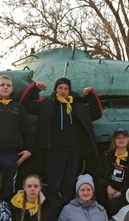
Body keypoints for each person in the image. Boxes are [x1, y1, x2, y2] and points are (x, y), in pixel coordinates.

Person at [19, 77, 103, 209]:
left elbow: (97, 112)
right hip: (54, 150)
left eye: (66, 88)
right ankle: (53, 212)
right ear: (56, 89)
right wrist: (34, 88)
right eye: (60, 88)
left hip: (73, 151)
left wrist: (91, 95)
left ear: (69, 90)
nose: (63, 91)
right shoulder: (47, 104)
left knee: (68, 186)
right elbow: (25, 104)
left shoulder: (77, 106)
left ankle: (66, 212)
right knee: (54, 185)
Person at [94, 128, 129, 215]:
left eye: (124, 137)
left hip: (124, 195)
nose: (121, 139)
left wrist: (121, 192)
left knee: (114, 205)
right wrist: (107, 186)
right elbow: (96, 175)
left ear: (128, 140)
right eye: (118, 138)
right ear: (114, 140)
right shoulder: (105, 157)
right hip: (106, 192)